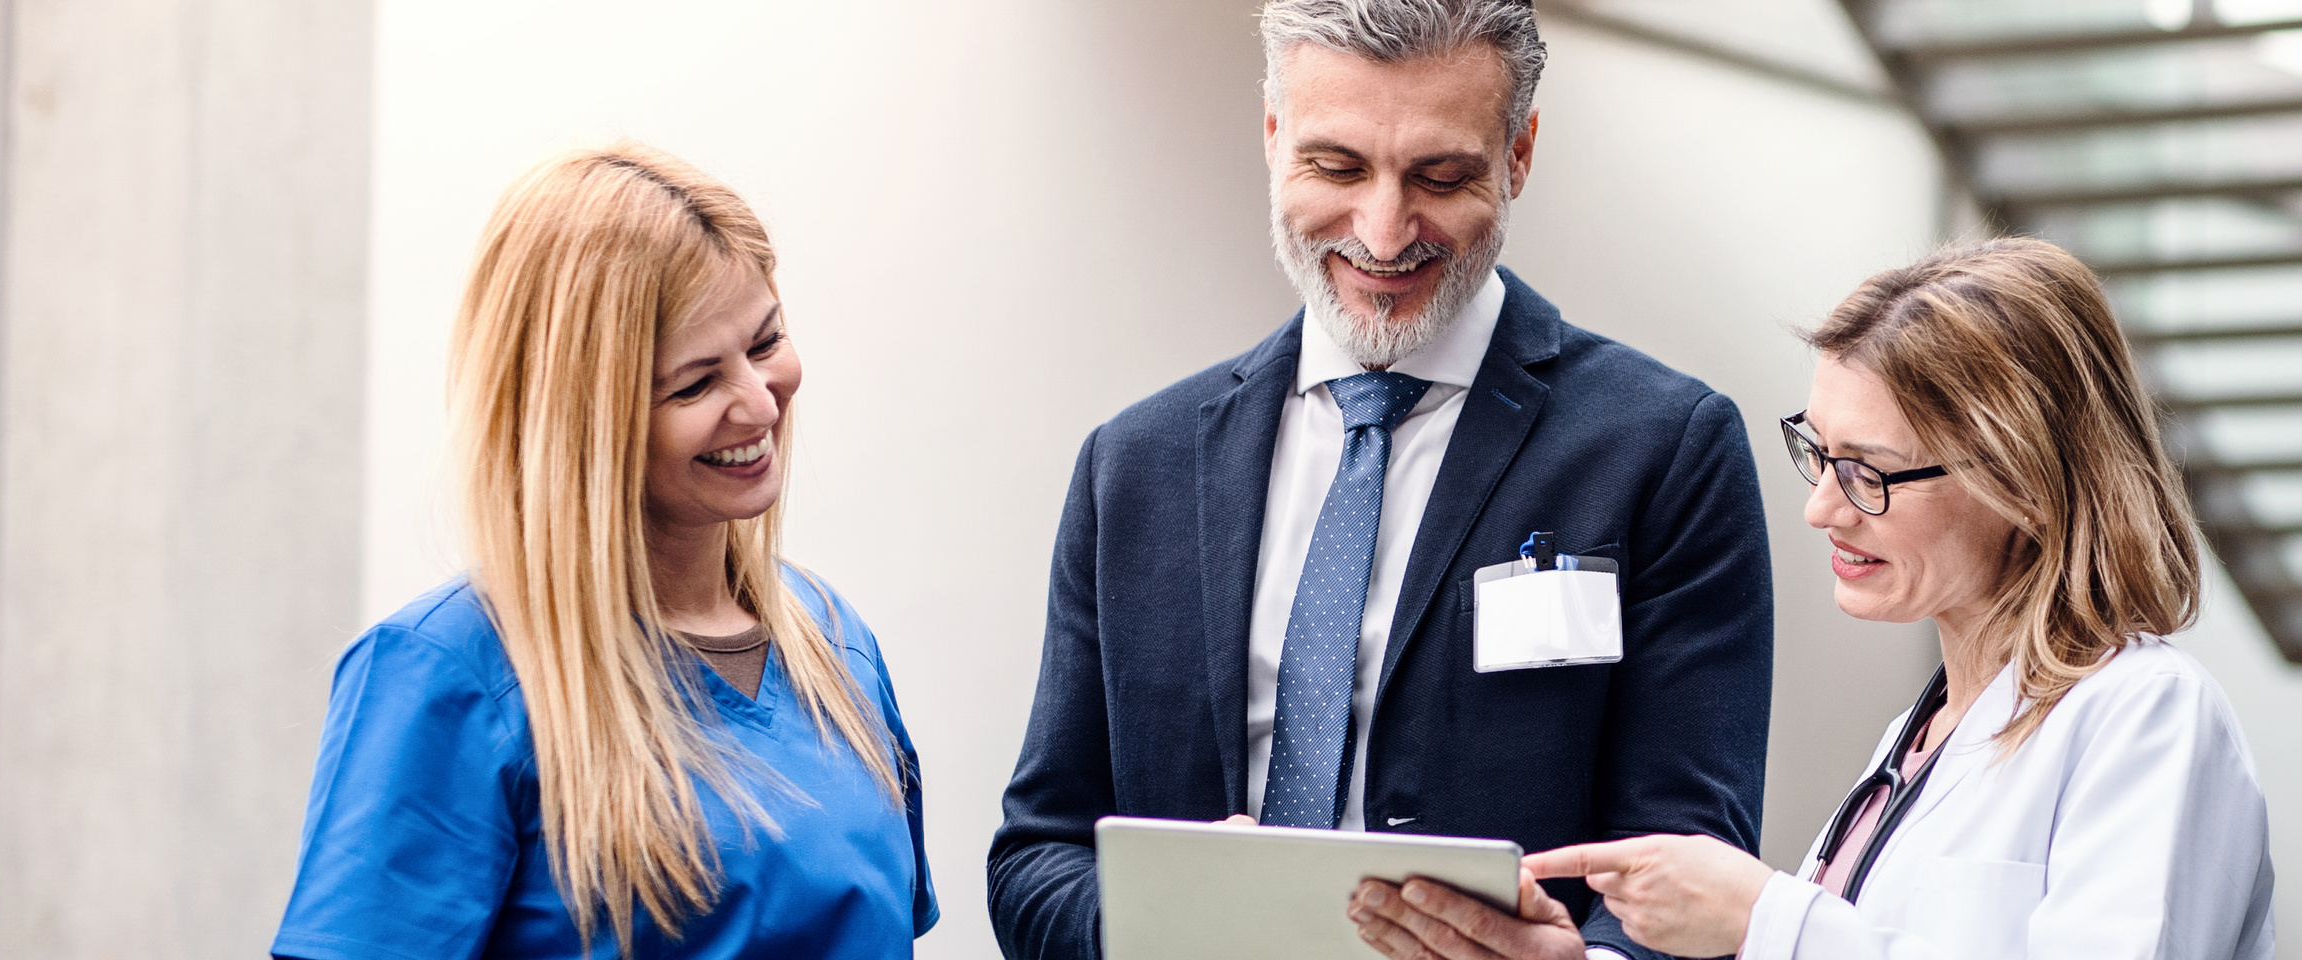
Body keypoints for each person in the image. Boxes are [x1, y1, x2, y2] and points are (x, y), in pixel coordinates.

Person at [983, 1, 1778, 958]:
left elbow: (1694, 859)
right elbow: (1037, 857)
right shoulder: (1136, 465)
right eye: (1337, 167)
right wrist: (1180, 918)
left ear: (1519, 153)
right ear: (1274, 136)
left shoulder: (1664, 449)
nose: (1385, 230)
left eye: (1441, 176)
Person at [1370, 239, 2277, 960]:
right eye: (1819, 454)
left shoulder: (2147, 717)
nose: (1820, 509)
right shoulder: (1913, 746)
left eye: (1870, 474)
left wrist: (1767, 918)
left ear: (2028, 481)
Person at [270, 144, 931, 960]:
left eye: (765, 344)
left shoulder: (834, 644)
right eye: (694, 385)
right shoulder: (449, 674)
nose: (759, 402)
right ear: (585, 417)